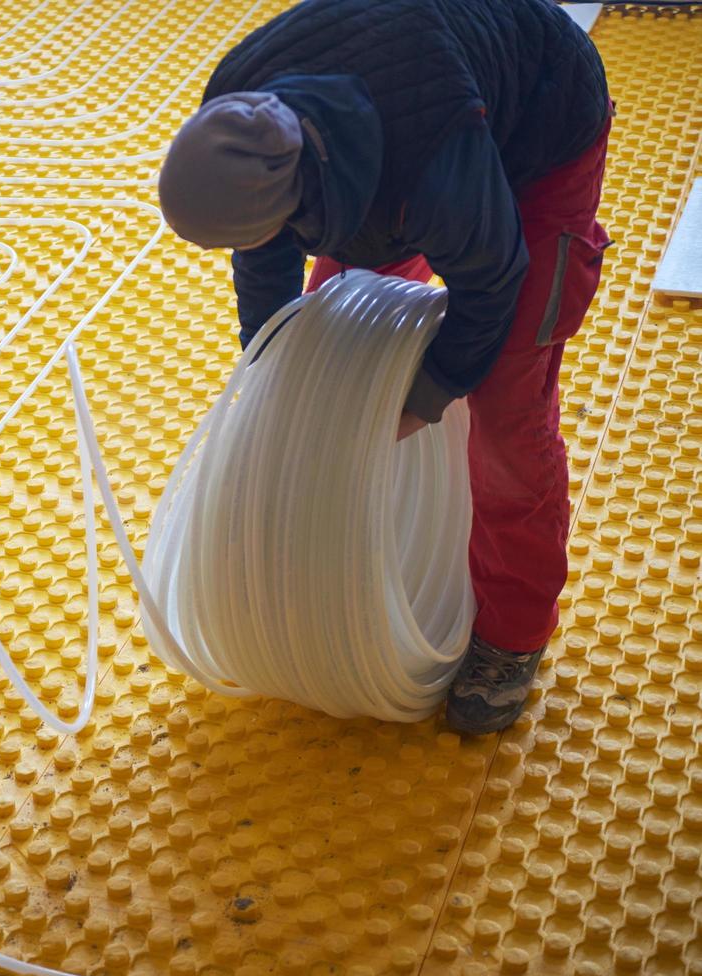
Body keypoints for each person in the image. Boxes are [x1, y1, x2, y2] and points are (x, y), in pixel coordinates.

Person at [157, 0, 611, 735]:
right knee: (323, 348)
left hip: (541, 121)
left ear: (301, 190)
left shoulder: (428, 167)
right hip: (416, 105)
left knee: (503, 411)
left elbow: (491, 281)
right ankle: (318, 584)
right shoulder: (239, 116)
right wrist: (268, 363)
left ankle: (512, 633)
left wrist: (421, 401)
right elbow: (261, 259)